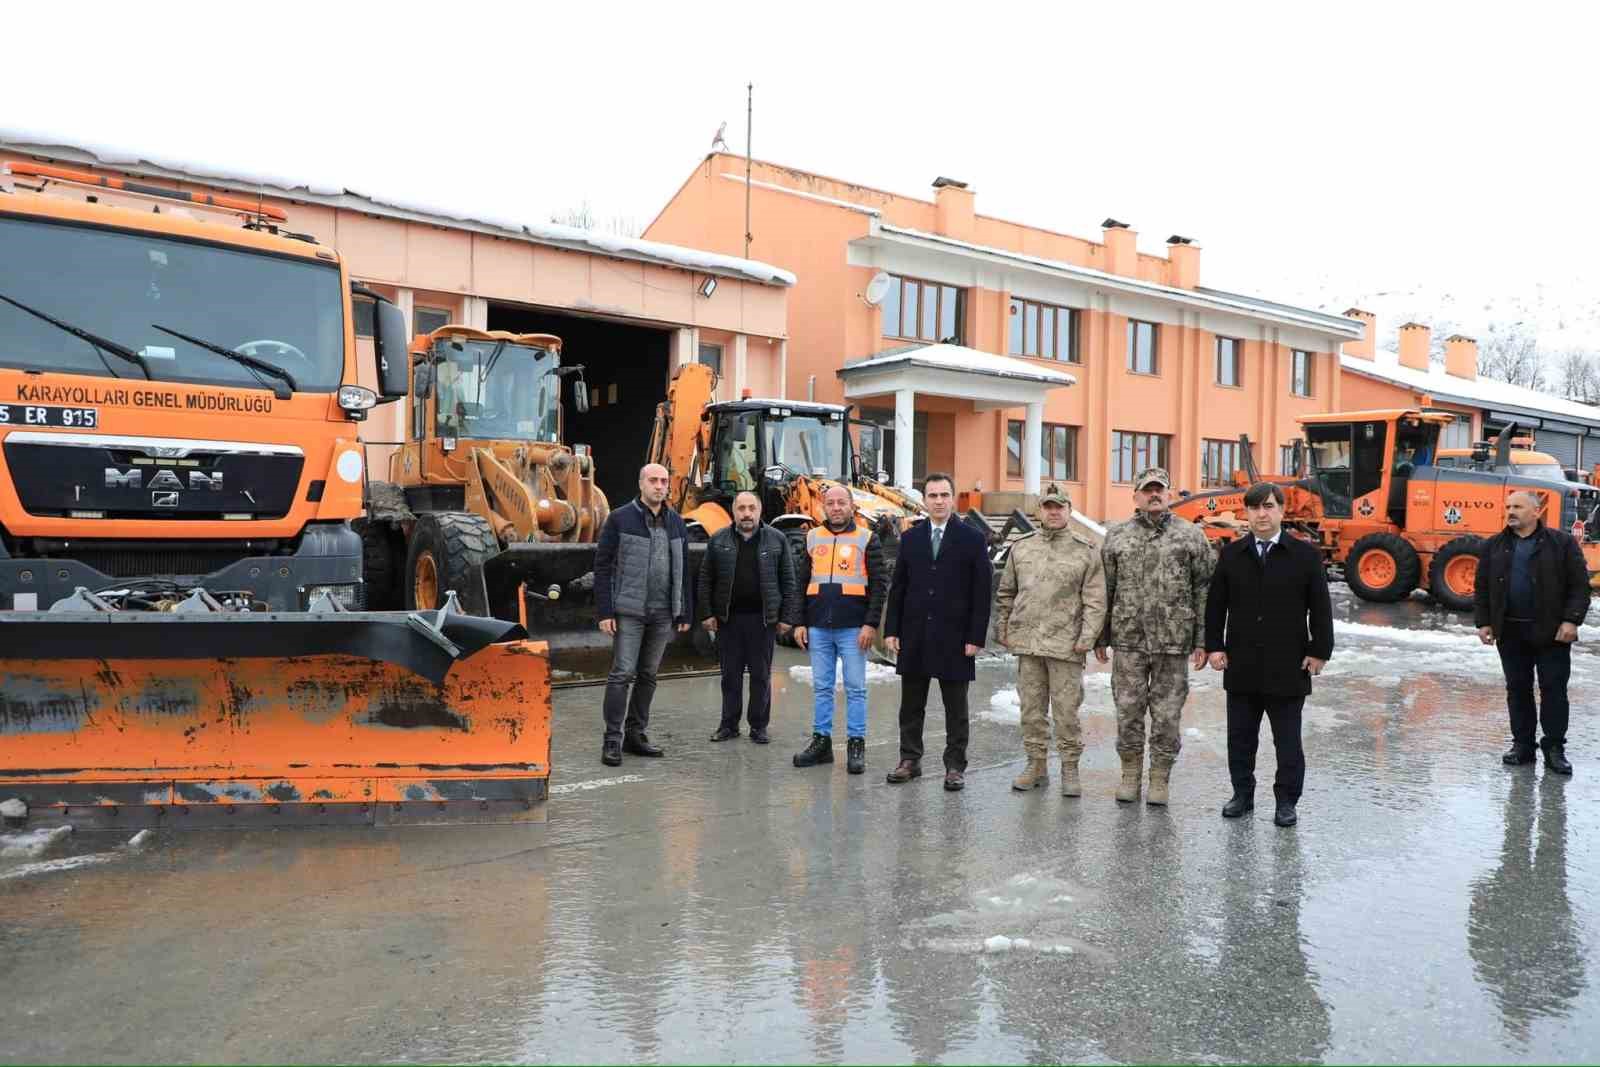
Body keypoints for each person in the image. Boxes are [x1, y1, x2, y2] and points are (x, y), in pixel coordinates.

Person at [1204, 482, 1334, 827]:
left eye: (1269, 506)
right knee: (1240, 738)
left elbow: (1320, 608)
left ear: (1281, 511)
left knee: (1288, 742)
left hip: (1287, 664)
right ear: (1246, 513)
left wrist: (1319, 651)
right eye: (1255, 508)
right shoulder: (1233, 554)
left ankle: (1286, 801)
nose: (1262, 514)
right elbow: (1216, 605)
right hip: (1242, 664)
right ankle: (1242, 795)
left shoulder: (1304, 555)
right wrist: (1215, 645)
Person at [1095, 467, 1213, 806]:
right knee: (1128, 711)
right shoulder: (1117, 536)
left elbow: (1203, 590)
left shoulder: (1191, 536)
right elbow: (1106, 589)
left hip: (1174, 643)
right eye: (1147, 490)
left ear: (1169, 493)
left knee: (1167, 715)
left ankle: (1160, 778)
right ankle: (1130, 775)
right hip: (1129, 641)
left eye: (1160, 489)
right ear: (1136, 496)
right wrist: (1100, 637)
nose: (1154, 495)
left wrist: (1203, 640)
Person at [994, 484, 1106, 796]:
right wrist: (1004, 629)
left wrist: (1086, 638)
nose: (1054, 512)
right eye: (1048, 507)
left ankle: (1070, 768)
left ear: (1069, 510)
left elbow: (1096, 601)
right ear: (1039, 510)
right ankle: (1036, 764)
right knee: (1031, 710)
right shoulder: (1022, 548)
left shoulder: (1086, 551)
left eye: (1060, 507)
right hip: (1028, 644)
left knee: (1066, 711)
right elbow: (1006, 592)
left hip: (1066, 646)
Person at [883, 473, 992, 791]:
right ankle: (909, 760)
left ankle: (955, 765)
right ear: (925, 500)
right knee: (911, 704)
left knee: (956, 707)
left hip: (955, 637)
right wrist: (892, 629)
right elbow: (899, 587)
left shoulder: (972, 538)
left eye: (944, 495)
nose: (939, 501)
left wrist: (975, 636)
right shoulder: (912, 538)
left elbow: (981, 592)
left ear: (953, 498)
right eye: (932, 496)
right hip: (915, 633)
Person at [1475, 489, 1587, 775]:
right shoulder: (1494, 546)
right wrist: (1484, 622)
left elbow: (1579, 586)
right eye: (1508, 506)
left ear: (1536, 512)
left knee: (1553, 690)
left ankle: (1554, 748)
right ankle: (1522, 746)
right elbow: (1483, 587)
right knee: (1517, 690)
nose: (1510, 511)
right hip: (1510, 631)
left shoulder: (1561, 544)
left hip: (1552, 633)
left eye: (1518, 507)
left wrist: (1571, 621)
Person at [593, 463, 693, 766]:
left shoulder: (676, 522)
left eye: (664, 481)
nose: (659, 486)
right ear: (641, 484)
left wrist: (684, 609)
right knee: (622, 673)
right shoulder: (619, 519)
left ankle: (636, 734)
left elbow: (684, 568)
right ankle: (612, 739)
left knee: (648, 675)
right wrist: (605, 611)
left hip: (663, 613)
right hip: (630, 611)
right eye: (653, 480)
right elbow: (603, 567)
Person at [792, 483, 889, 774]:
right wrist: (798, 622)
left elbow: (879, 585)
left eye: (841, 503)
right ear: (823, 507)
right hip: (819, 626)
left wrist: (871, 624)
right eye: (830, 503)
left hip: (853, 629)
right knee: (822, 687)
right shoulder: (811, 537)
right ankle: (821, 743)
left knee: (856, 688)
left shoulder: (866, 538)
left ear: (851, 506)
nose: (836, 507)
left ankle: (855, 744)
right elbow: (799, 584)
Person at [697, 491, 800, 744]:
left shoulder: (777, 540)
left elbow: (789, 581)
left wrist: (787, 617)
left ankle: (758, 726)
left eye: (751, 508)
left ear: (759, 510)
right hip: (728, 621)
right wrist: (707, 613)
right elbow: (705, 579)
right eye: (741, 508)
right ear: (733, 512)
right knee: (729, 676)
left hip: (762, 621)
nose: (746, 513)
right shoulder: (719, 540)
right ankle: (729, 725)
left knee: (760, 676)